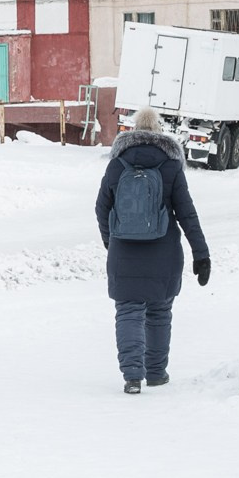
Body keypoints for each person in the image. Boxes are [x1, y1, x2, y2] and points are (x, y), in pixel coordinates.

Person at [93, 107, 211, 395]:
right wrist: (201, 254)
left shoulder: (117, 165)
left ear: (132, 132)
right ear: (159, 131)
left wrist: (112, 242)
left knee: (129, 311)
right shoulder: (170, 166)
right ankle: (156, 373)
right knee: (159, 312)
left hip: (124, 251)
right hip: (164, 252)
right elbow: (187, 215)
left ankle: (132, 376)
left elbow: (101, 208)